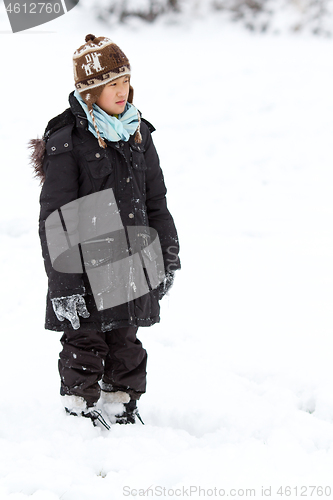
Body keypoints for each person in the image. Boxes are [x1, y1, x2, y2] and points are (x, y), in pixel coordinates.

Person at [29, 34, 181, 428]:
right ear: (90, 90)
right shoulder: (67, 141)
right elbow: (57, 218)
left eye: (125, 81)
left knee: (125, 341)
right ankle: (80, 412)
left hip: (131, 257)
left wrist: (167, 257)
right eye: (111, 84)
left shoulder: (138, 134)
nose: (121, 90)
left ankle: (121, 404)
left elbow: (156, 202)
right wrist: (64, 285)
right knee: (86, 340)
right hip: (84, 263)